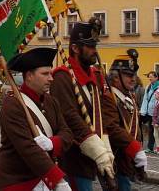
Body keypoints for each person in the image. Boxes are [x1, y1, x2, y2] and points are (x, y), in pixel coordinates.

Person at [0, 47, 73, 191]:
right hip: (19, 182)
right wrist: (56, 179)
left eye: (50, 73)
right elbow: (27, 148)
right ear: (29, 75)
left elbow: (67, 133)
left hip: (44, 178)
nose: (51, 78)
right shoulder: (13, 105)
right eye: (45, 74)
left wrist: (52, 143)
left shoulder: (51, 102)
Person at [50, 18, 115, 191]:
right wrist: (97, 150)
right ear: (75, 48)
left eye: (95, 46)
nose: (95, 51)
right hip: (72, 159)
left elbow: (100, 114)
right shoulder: (62, 77)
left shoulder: (96, 78)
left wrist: (105, 146)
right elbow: (69, 116)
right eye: (90, 46)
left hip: (90, 158)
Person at [102, 67, 148, 191]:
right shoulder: (109, 97)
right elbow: (112, 128)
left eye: (134, 75)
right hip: (117, 159)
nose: (133, 79)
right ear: (116, 78)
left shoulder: (128, 97)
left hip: (128, 159)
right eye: (128, 75)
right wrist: (135, 148)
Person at [140, 71, 159, 153]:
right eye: (149, 77)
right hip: (151, 112)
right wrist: (143, 110)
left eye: (151, 77)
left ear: (156, 77)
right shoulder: (148, 87)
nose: (149, 78)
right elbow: (145, 99)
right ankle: (150, 147)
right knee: (152, 131)